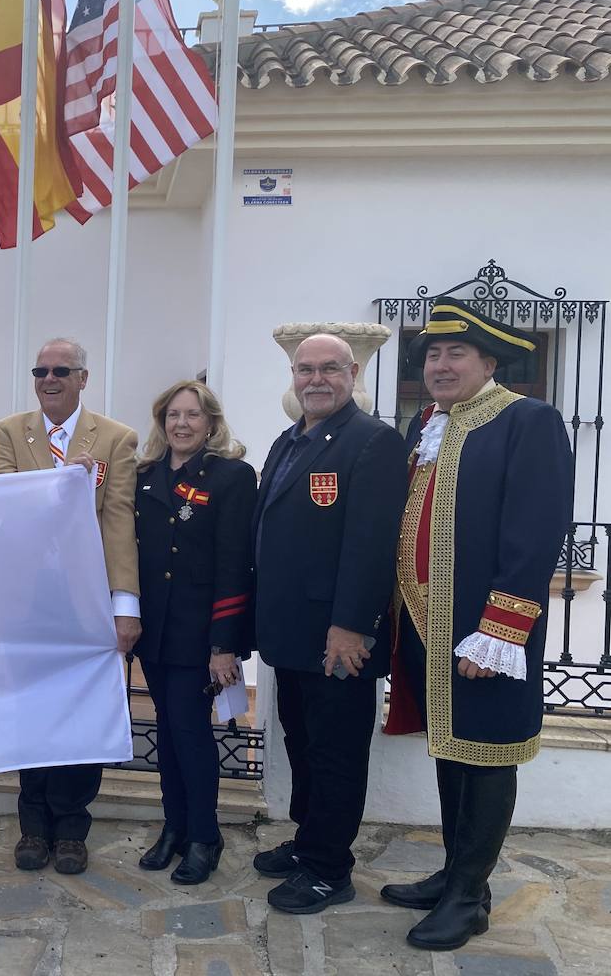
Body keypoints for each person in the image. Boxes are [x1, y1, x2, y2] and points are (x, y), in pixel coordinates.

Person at [379, 302, 572, 951]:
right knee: (451, 749)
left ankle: (469, 899)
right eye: (432, 354)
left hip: (482, 633)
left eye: (455, 353)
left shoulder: (527, 420)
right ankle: (457, 872)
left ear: (490, 362)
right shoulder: (425, 423)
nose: (440, 364)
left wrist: (503, 628)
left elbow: (536, 529)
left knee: (486, 757)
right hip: (422, 622)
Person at [252, 333, 408, 914]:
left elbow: (371, 546)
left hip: (336, 637)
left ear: (352, 375)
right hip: (290, 633)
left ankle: (329, 869)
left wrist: (350, 626)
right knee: (302, 742)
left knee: (337, 752)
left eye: (329, 369)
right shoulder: (288, 440)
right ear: (293, 375)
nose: (316, 379)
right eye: (304, 369)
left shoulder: (373, 442)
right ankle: (308, 839)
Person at [0, 337, 141, 877]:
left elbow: (119, 518)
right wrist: (60, 482)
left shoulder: (117, 439)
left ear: (83, 378)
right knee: (30, 710)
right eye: (40, 370)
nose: (49, 379)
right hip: (26, 601)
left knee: (81, 711)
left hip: (87, 602)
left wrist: (125, 605)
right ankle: (33, 825)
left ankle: (72, 826)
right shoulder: (9, 432)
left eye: (61, 370)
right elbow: (2, 495)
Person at [132, 381, 255, 885]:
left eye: (193, 415)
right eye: (173, 415)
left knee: (191, 733)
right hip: (155, 631)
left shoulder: (231, 476)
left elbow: (236, 565)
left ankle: (205, 835)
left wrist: (223, 643)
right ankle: (175, 826)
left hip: (200, 634)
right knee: (169, 730)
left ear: (211, 423)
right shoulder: (144, 476)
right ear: (162, 421)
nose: (182, 424)